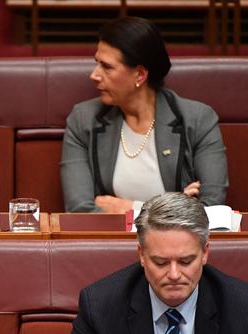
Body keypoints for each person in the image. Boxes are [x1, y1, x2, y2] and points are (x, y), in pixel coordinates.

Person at [58, 192, 248, 334]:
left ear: (205, 253)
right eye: (161, 262)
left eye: (186, 261)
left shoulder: (246, 309)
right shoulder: (101, 306)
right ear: (142, 255)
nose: (174, 275)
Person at [61, 17, 228, 213]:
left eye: (106, 67)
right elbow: (80, 211)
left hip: (176, 244)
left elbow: (211, 209)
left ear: (140, 75)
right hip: (110, 242)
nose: (94, 75)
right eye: (97, 63)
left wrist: (133, 208)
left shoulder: (198, 120)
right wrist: (176, 207)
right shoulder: (83, 120)